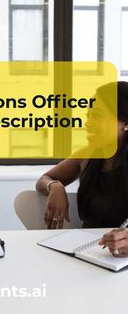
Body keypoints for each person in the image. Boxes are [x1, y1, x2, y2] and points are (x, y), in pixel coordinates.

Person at [36, 81, 128, 257]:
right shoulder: (87, 154)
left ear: (125, 123)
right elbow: (44, 179)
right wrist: (55, 186)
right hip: (85, 253)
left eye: (98, 116)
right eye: (89, 115)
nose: (88, 123)